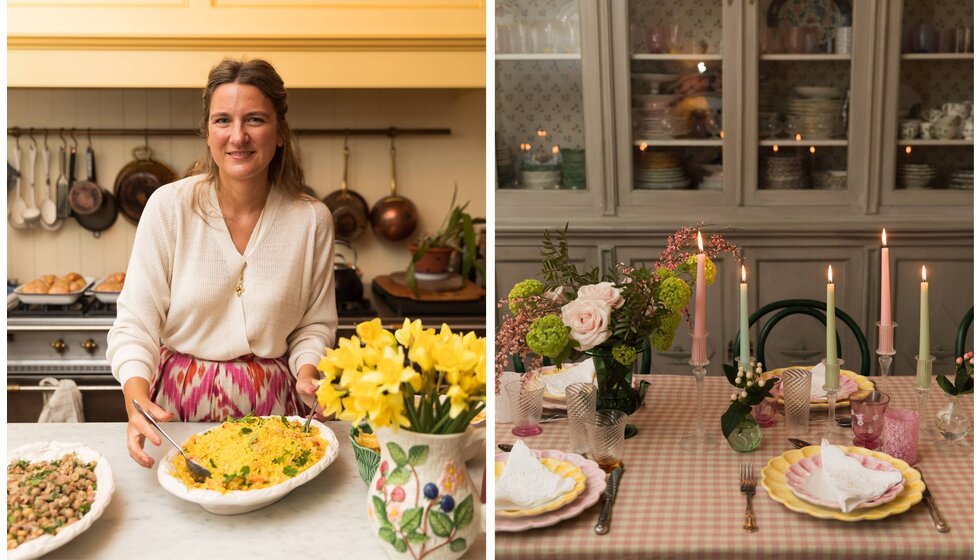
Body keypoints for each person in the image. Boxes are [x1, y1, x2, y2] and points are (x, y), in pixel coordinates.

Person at [107, 59, 336, 468]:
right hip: (179, 408)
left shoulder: (311, 220)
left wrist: (308, 370)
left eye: (255, 119)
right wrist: (136, 397)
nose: (238, 136)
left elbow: (314, 324)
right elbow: (136, 322)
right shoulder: (169, 208)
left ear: (280, 132)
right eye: (223, 120)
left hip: (276, 409)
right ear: (207, 132)